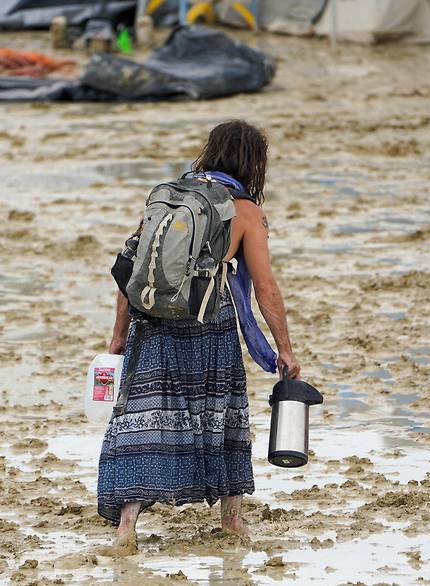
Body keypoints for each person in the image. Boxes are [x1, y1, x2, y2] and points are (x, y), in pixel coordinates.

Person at [97, 120, 301, 552]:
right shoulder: (244, 211)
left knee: (145, 416)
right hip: (211, 320)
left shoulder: (168, 196)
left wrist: (117, 336)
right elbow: (264, 287)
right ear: (253, 163)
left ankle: (126, 528)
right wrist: (284, 348)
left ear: (211, 151)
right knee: (221, 412)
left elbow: (130, 270)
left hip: (150, 320)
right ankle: (232, 521)